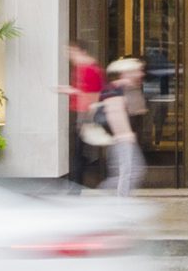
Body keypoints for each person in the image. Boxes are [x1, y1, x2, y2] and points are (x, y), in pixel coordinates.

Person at [99, 57, 147, 196]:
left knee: (133, 172)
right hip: (122, 139)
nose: (141, 74)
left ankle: (113, 200)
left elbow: (137, 110)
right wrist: (125, 135)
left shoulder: (128, 88)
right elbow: (115, 114)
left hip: (125, 139)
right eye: (137, 71)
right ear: (127, 72)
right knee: (128, 174)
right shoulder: (114, 89)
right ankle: (113, 201)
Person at [62, 43, 105, 188]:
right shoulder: (80, 68)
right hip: (81, 115)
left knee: (78, 155)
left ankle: (76, 188)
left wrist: (86, 120)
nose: (69, 55)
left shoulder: (90, 69)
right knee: (78, 154)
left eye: (72, 51)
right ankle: (76, 186)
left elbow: (93, 96)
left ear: (82, 51)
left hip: (85, 116)